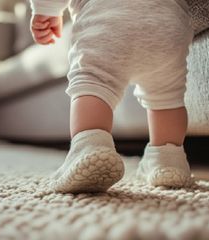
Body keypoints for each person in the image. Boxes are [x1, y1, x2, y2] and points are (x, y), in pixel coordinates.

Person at [29, 0, 194, 193]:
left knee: (94, 82)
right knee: (167, 96)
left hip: (108, 17)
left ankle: (90, 146)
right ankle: (168, 160)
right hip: (167, 22)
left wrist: (46, 9)